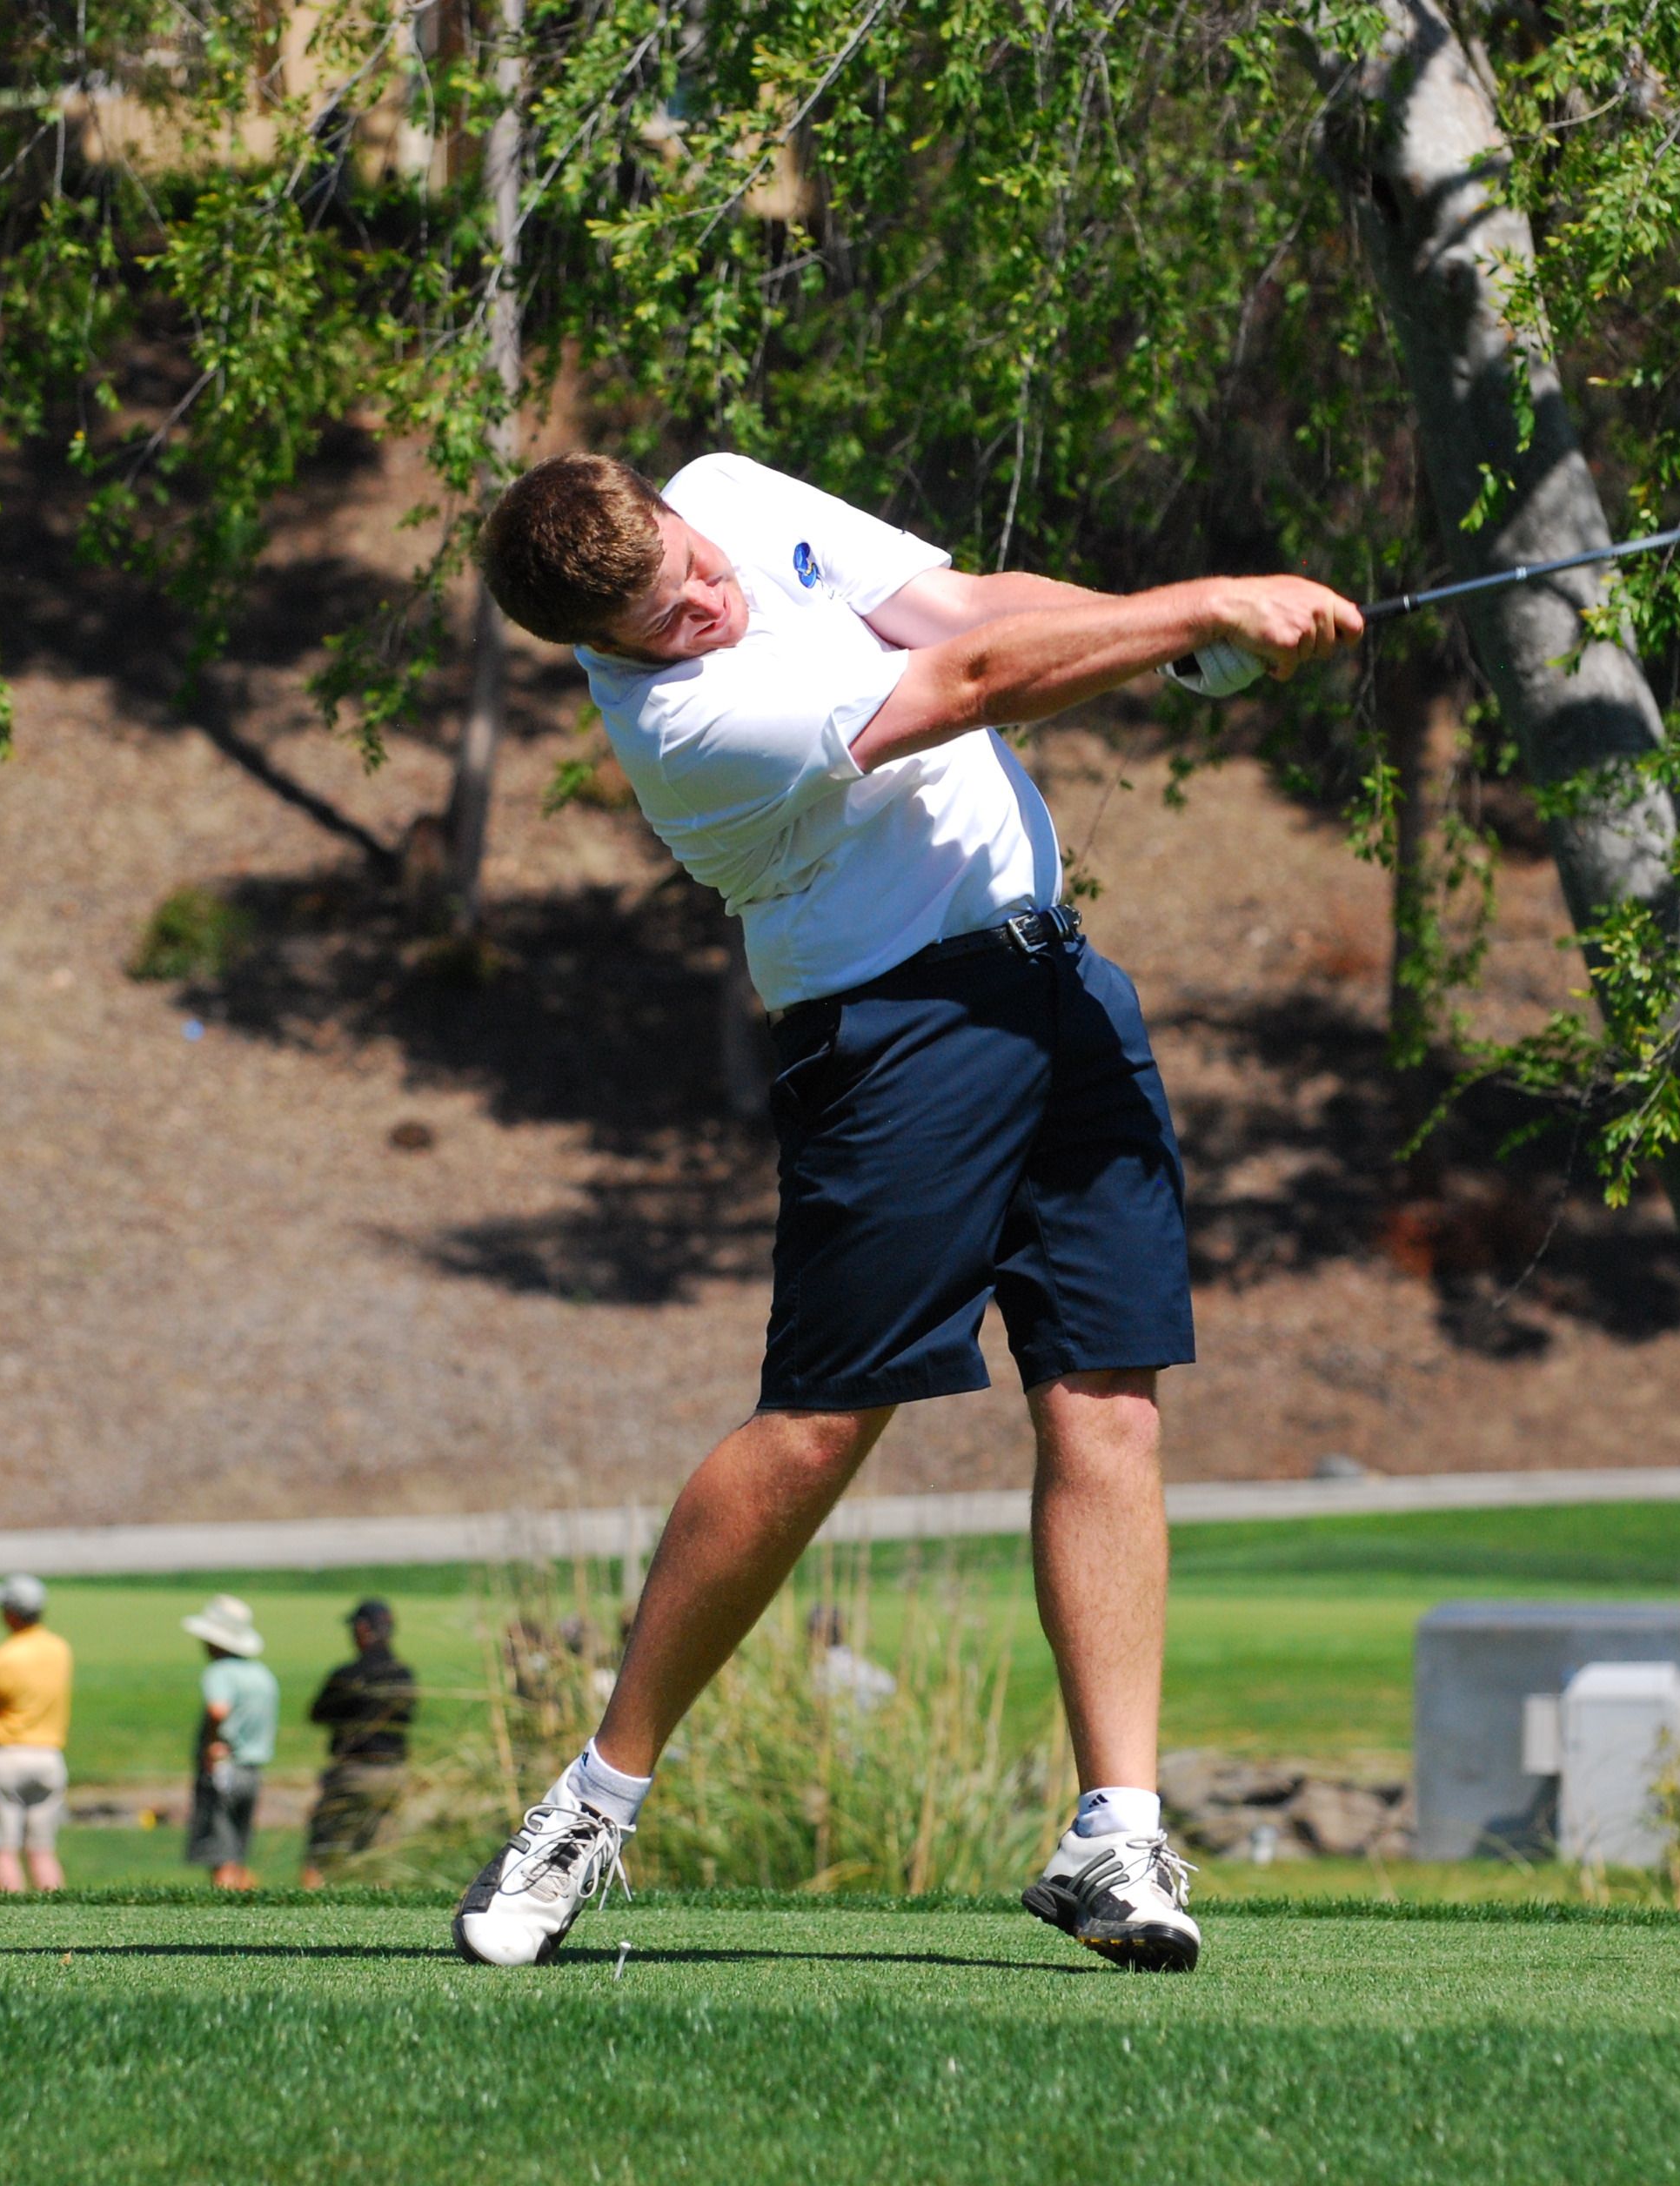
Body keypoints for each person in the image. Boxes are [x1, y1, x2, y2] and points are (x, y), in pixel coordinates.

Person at [447, 452, 1360, 1973]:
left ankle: (1113, 1830)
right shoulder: (687, 727)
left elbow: (965, 602)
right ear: (607, 648)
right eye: (673, 616)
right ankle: (591, 1805)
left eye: (700, 567)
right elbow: (975, 676)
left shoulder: (726, 491)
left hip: (1059, 981)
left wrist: (1169, 636)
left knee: (1108, 1396)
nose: (712, 602)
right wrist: (1195, 605)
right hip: (891, 1033)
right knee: (821, 1421)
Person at [0, 1572, 71, 1893]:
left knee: (2, 1848)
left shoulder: (1, 1659)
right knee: (42, 1850)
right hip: (50, 1758)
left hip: (5, 1757)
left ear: (9, 1613)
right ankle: (56, 1918)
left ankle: (10, 1918)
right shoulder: (60, 1649)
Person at [302, 1597, 418, 1888]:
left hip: (353, 1772)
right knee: (382, 1857)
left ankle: (306, 1916)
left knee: (323, 1853)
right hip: (393, 1772)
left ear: (363, 1629)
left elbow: (317, 1713)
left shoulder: (347, 1675)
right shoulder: (403, 1675)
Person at [180, 1594, 279, 1889]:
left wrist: (212, 1743)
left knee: (220, 1855)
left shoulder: (220, 1672)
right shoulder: (262, 1675)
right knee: (237, 1853)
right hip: (252, 1771)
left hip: (225, 1768)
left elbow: (218, 1709)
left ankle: (222, 1923)